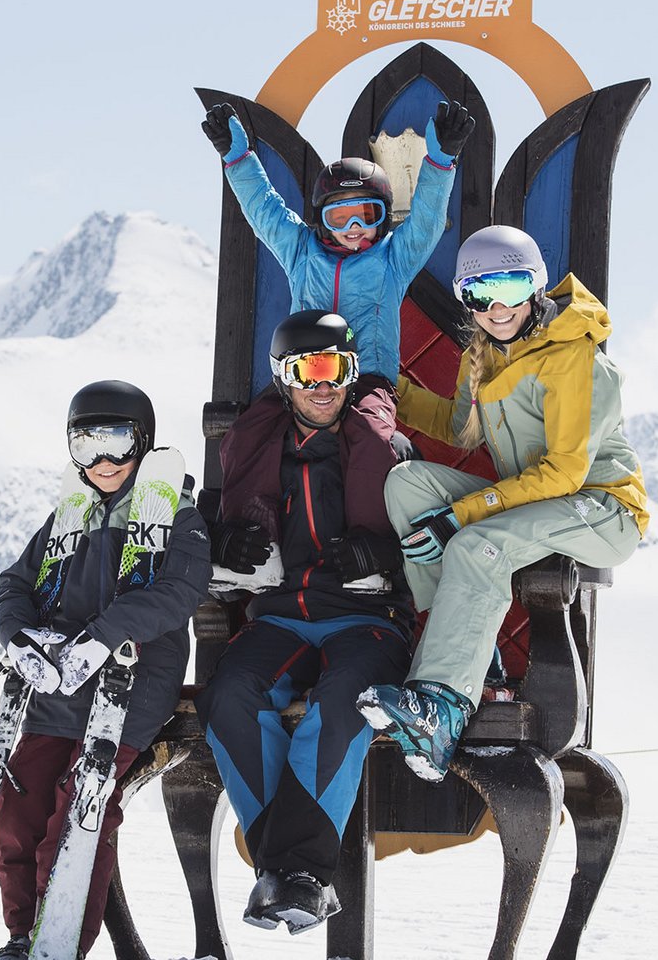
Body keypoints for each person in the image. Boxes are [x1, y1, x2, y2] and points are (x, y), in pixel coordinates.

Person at [356, 226, 649, 782]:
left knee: (477, 543)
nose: (497, 307)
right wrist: (387, 389)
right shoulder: (488, 354)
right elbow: (461, 431)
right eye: (478, 293)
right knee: (408, 485)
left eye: (512, 287)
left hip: (601, 507)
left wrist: (463, 514)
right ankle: (475, 661)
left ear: (536, 286)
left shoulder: (573, 357)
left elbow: (565, 471)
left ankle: (439, 708)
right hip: (535, 501)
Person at [196, 311, 413, 934]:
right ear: (283, 378)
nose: (325, 386)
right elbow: (201, 525)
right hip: (281, 618)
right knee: (229, 694)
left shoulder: (387, 450)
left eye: (338, 369)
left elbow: (436, 530)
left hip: (366, 620)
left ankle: (289, 873)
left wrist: (384, 553)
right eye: (309, 371)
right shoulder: (256, 452)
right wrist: (227, 540)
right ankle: (299, 877)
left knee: (347, 699)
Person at [0, 380, 212, 959]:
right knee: (18, 807)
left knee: (78, 809)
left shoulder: (175, 517)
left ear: (143, 443)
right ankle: (21, 934)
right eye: (87, 444)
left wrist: (104, 636)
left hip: (127, 689)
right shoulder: (69, 517)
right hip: (58, 689)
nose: (104, 461)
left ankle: (57, 940)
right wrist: (19, 635)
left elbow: (178, 592)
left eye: (117, 443)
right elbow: (13, 586)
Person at [200, 98, 477, 391]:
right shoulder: (302, 252)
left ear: (383, 219)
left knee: (370, 435)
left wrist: (440, 162)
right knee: (254, 430)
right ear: (322, 221)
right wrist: (238, 159)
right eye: (340, 217)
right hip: (306, 378)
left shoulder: (393, 260)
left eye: (366, 215)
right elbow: (265, 210)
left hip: (368, 382)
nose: (353, 228)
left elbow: (426, 221)